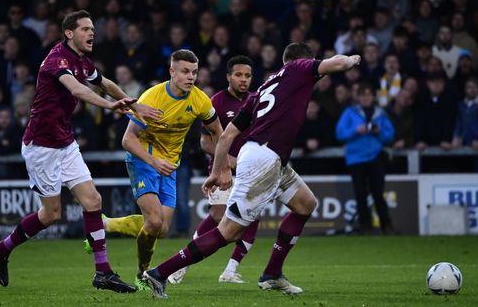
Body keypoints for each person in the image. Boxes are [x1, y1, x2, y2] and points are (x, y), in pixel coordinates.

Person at [141, 43, 361, 299]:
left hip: (266, 157)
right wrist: (354, 58)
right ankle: (159, 273)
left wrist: (217, 171)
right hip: (264, 159)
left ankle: (272, 274)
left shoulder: (265, 87)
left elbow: (226, 136)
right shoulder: (298, 68)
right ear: (302, 61)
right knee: (228, 231)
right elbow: (337, 63)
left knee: (306, 204)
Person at [0, 10, 161, 293]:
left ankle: (103, 272)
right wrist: (110, 106)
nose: (92, 33)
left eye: (93, 28)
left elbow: (103, 82)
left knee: (93, 201)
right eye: (85, 29)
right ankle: (2, 248)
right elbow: (78, 91)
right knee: (51, 214)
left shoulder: (82, 60)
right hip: (41, 146)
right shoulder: (57, 60)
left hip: (65, 143)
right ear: (69, 33)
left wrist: (135, 104)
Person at [93, 49, 225, 290]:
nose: (190, 77)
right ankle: (143, 274)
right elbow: (128, 140)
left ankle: (106, 225)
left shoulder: (200, 100)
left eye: (194, 72)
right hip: (143, 158)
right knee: (153, 221)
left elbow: (218, 131)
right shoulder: (152, 97)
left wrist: (221, 167)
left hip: (169, 165)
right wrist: (153, 162)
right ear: (172, 71)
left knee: (161, 229)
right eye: (185, 71)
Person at [169, 55, 259, 285]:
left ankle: (230, 270)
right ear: (228, 76)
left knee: (252, 217)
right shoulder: (217, 101)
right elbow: (206, 143)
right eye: (238, 75)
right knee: (219, 217)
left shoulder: (255, 101)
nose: (243, 80)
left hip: (251, 172)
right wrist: (230, 162)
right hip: (221, 170)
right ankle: (183, 263)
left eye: (247, 75)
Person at [336, 83, 395, 234]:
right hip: (356, 158)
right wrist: (356, 131)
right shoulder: (350, 112)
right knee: (360, 193)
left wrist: (379, 132)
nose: (366, 98)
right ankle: (365, 226)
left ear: (373, 97)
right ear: (359, 97)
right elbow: (340, 133)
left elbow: (390, 136)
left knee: (378, 192)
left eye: (369, 95)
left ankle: (386, 225)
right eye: (363, 95)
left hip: (375, 157)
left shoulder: (380, 114)